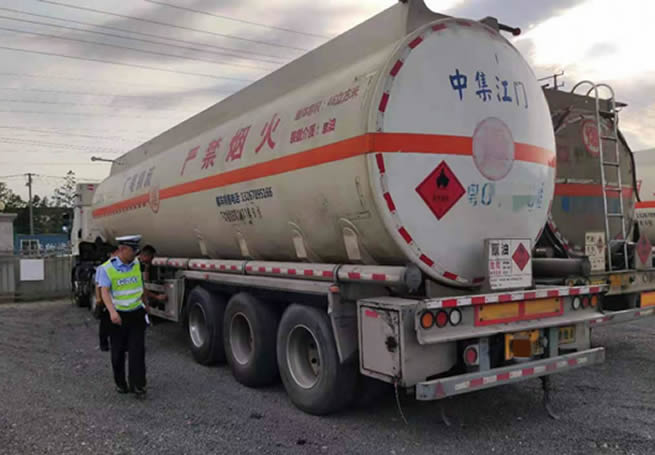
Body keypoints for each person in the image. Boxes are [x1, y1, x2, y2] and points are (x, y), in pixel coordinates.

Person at [96, 235, 149, 397]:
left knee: (137, 351)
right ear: (123, 249)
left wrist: (146, 306)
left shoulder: (137, 264)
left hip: (136, 314)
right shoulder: (106, 268)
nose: (136, 254)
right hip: (118, 317)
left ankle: (138, 385)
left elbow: (141, 285)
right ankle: (121, 383)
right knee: (118, 353)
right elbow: (104, 292)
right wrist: (112, 312)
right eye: (133, 250)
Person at [95, 245, 118, 351]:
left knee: (116, 324)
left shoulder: (119, 266)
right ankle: (103, 344)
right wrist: (99, 299)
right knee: (105, 324)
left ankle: (117, 343)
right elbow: (98, 285)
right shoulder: (103, 267)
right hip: (106, 300)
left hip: (116, 300)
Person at [138, 244, 167, 309]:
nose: (152, 259)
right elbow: (141, 288)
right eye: (151, 257)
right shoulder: (136, 265)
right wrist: (156, 296)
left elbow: (146, 281)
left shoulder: (147, 265)